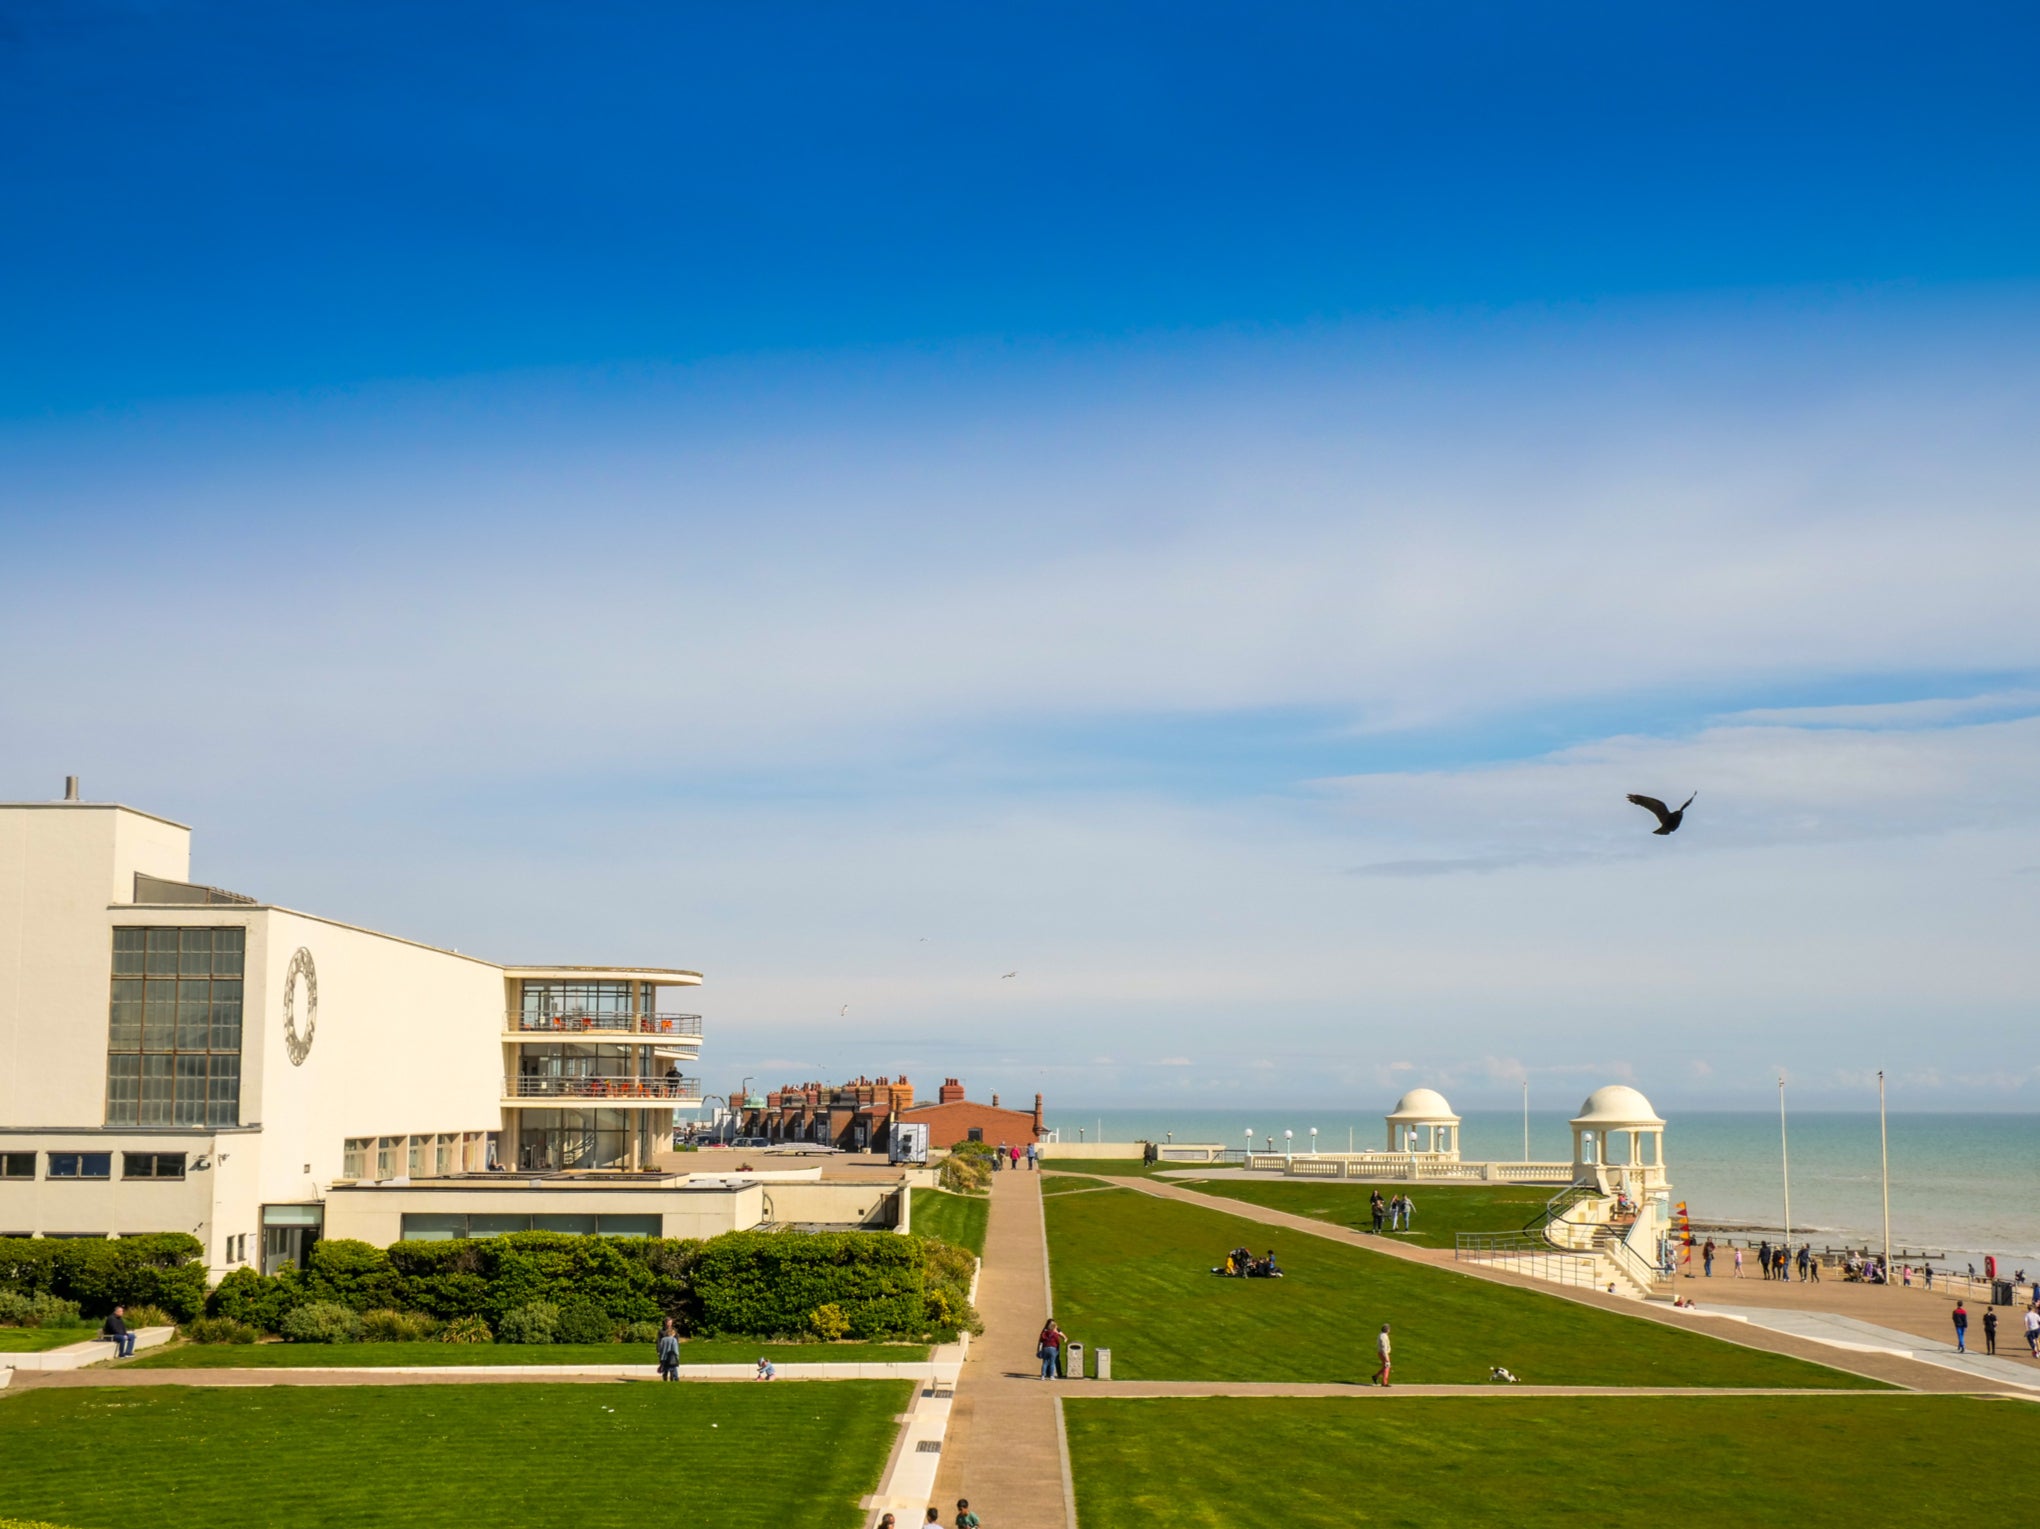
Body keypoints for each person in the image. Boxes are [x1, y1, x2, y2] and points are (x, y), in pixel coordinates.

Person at [1371, 1322, 1392, 1387]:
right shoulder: (1383, 1337)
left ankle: (1376, 1376)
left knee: (1385, 1366)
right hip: (1384, 1353)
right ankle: (1384, 1382)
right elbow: (1384, 1347)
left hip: (1383, 1353)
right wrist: (1386, 1358)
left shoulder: (1382, 1335)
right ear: (1387, 1329)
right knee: (1387, 1366)